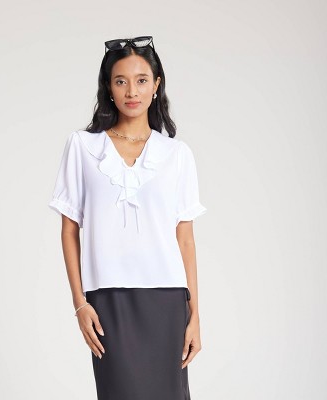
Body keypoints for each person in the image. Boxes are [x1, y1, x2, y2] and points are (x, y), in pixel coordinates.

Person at [48, 36, 207, 400]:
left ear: (156, 85)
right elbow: (69, 230)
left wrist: (195, 314)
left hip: (167, 301)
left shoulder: (177, 154)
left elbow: (185, 239)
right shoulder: (83, 147)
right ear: (108, 87)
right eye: (121, 81)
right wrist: (80, 303)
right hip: (108, 299)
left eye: (141, 80)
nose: (132, 91)